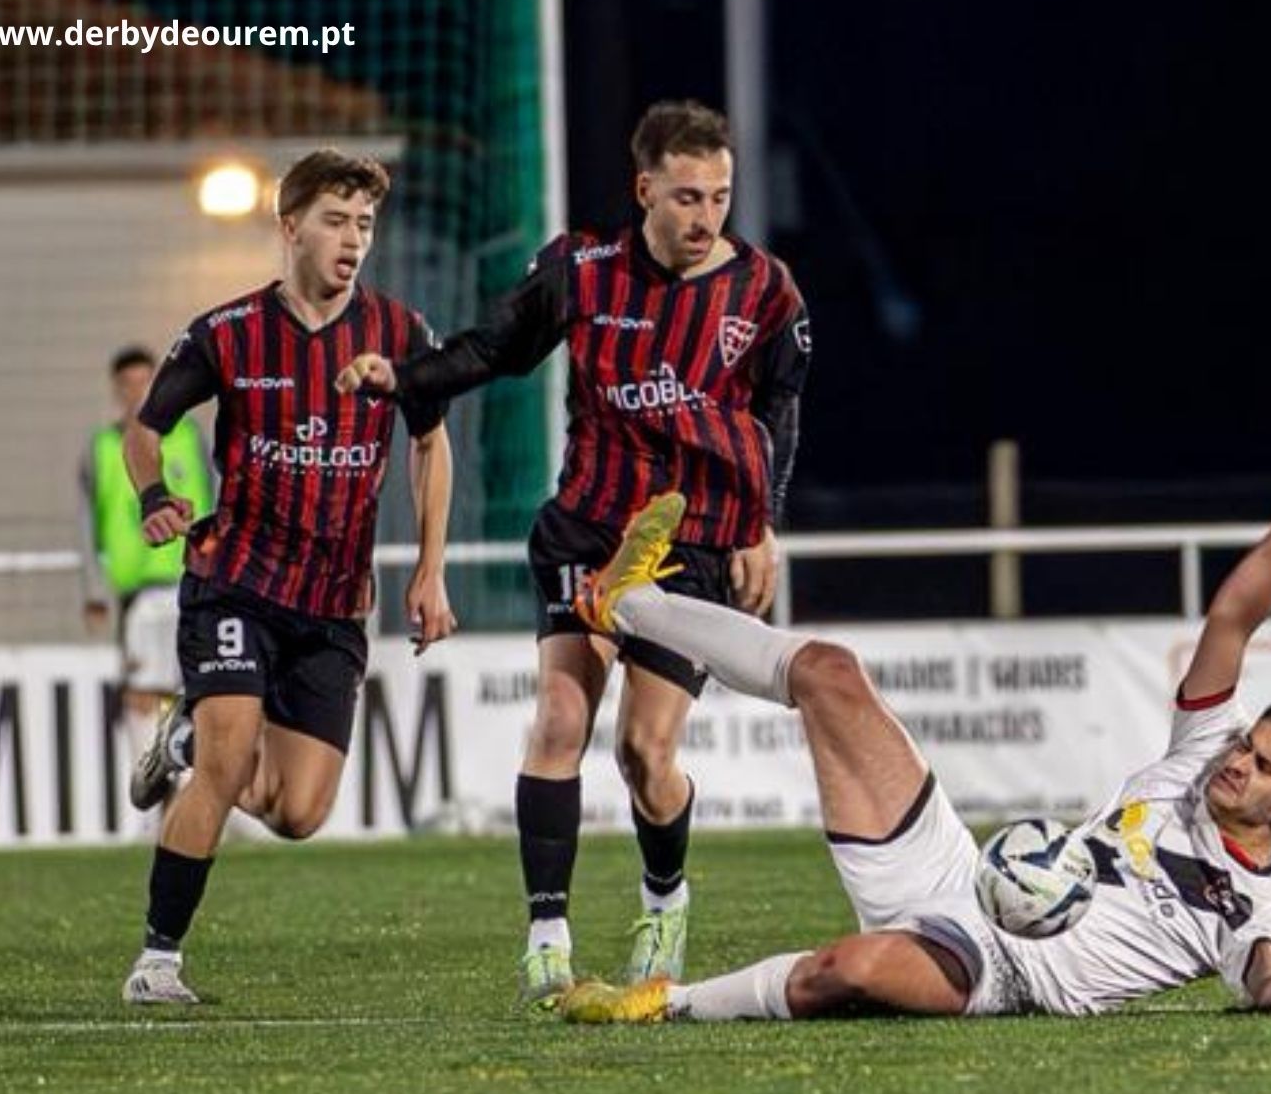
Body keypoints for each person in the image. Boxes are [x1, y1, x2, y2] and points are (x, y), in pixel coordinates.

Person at [552, 459, 1271, 1025]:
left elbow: (1267, 981)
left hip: (1000, 968)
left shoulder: (1263, 907)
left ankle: (661, 1002)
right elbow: (1232, 618)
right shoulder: (1199, 757)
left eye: (1263, 766)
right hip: (960, 872)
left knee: (846, 969)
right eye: (1246, 744)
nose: (1237, 761)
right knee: (831, 672)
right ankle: (624, 601)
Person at [336, 99, 812, 1004]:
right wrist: (404, 376)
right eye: (687, 197)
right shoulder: (582, 272)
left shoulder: (766, 292)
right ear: (645, 189)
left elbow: (777, 414)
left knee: (645, 753)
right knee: (560, 720)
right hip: (587, 532)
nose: (706, 216)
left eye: (719, 197)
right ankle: (547, 938)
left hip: (687, 547)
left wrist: (761, 522)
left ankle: (664, 900)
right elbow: (494, 348)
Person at [119, 149, 458, 1004]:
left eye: (365, 225)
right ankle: (157, 961)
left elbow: (429, 443)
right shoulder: (228, 332)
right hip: (234, 581)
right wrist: (155, 495)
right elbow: (146, 428)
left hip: (334, 607)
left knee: (300, 811)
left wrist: (430, 570)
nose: (353, 240)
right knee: (231, 756)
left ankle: (183, 741)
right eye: (336, 221)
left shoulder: (401, 333)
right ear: (291, 227)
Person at [79, 346, 214, 780]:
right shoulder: (101, 448)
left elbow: (218, 498)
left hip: (191, 582)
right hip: (136, 593)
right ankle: (150, 795)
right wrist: (94, 590)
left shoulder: (190, 437)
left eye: (144, 383)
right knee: (140, 693)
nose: (137, 393)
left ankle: (200, 794)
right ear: (116, 390)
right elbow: (87, 523)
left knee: (203, 688)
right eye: (128, 385)